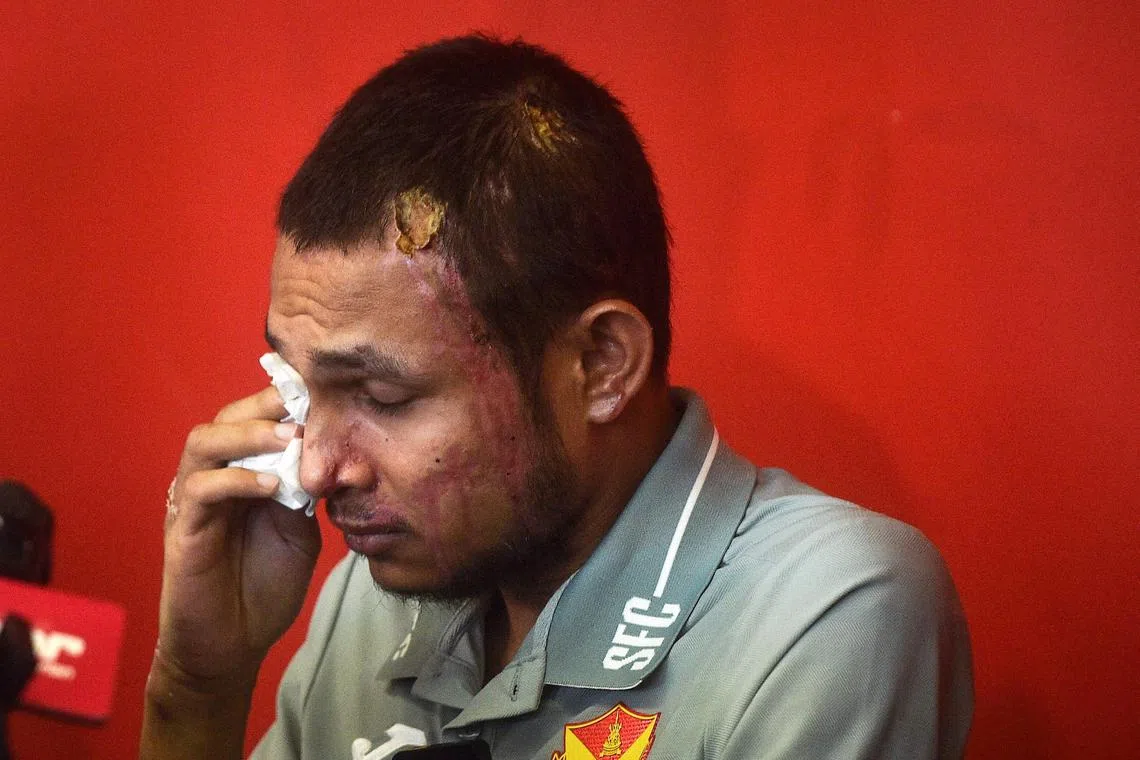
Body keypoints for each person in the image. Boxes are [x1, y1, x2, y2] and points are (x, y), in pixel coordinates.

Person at [141, 35, 973, 760]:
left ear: (601, 366)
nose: (318, 468)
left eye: (383, 396)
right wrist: (198, 689)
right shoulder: (376, 593)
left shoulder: (827, 611)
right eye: (296, 386)